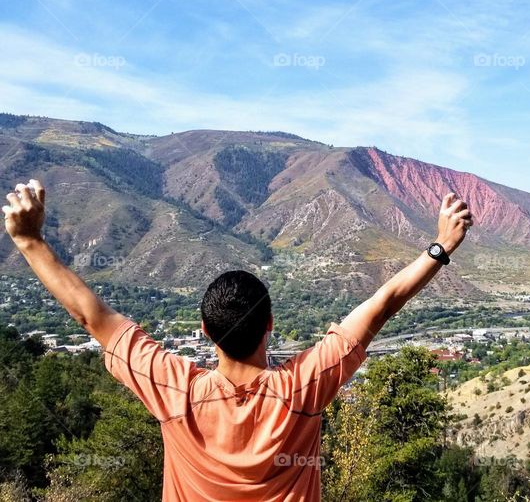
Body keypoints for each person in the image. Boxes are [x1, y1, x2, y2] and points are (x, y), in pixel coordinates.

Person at [1, 178, 472, 501]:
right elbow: (383, 303)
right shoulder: (302, 389)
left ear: (205, 331)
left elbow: (91, 317)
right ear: (270, 325)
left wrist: (30, 242)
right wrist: (441, 246)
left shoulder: (174, 391)